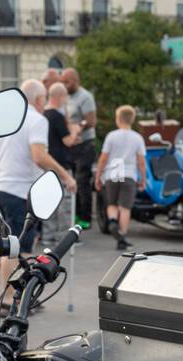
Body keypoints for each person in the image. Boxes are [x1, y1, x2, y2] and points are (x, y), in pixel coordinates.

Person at [0, 79, 77, 297]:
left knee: (14, 245)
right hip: (20, 190)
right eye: (44, 99)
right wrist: (65, 176)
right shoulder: (37, 120)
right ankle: (11, 300)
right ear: (39, 99)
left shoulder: (8, 119)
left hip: (3, 186)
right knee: (19, 248)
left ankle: (15, 297)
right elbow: (39, 156)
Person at [95, 105, 146, 250]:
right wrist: (143, 179)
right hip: (129, 175)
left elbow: (103, 159)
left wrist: (98, 176)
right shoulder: (137, 138)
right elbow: (141, 161)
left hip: (112, 175)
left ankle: (112, 221)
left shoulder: (111, 136)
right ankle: (122, 237)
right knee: (125, 208)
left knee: (111, 204)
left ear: (118, 119)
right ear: (132, 119)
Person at [42, 82, 80, 246]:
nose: (66, 101)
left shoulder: (43, 114)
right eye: (65, 97)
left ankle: (47, 236)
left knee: (48, 201)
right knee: (64, 201)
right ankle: (64, 237)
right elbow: (68, 140)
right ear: (59, 97)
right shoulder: (56, 116)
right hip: (61, 164)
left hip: (46, 163)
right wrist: (76, 130)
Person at [62, 68, 97, 228]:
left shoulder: (85, 96)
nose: (64, 85)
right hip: (71, 146)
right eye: (62, 81)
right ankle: (74, 214)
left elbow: (91, 120)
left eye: (66, 82)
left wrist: (78, 127)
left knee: (82, 181)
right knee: (72, 180)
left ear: (75, 81)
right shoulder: (66, 97)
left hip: (85, 145)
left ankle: (85, 218)